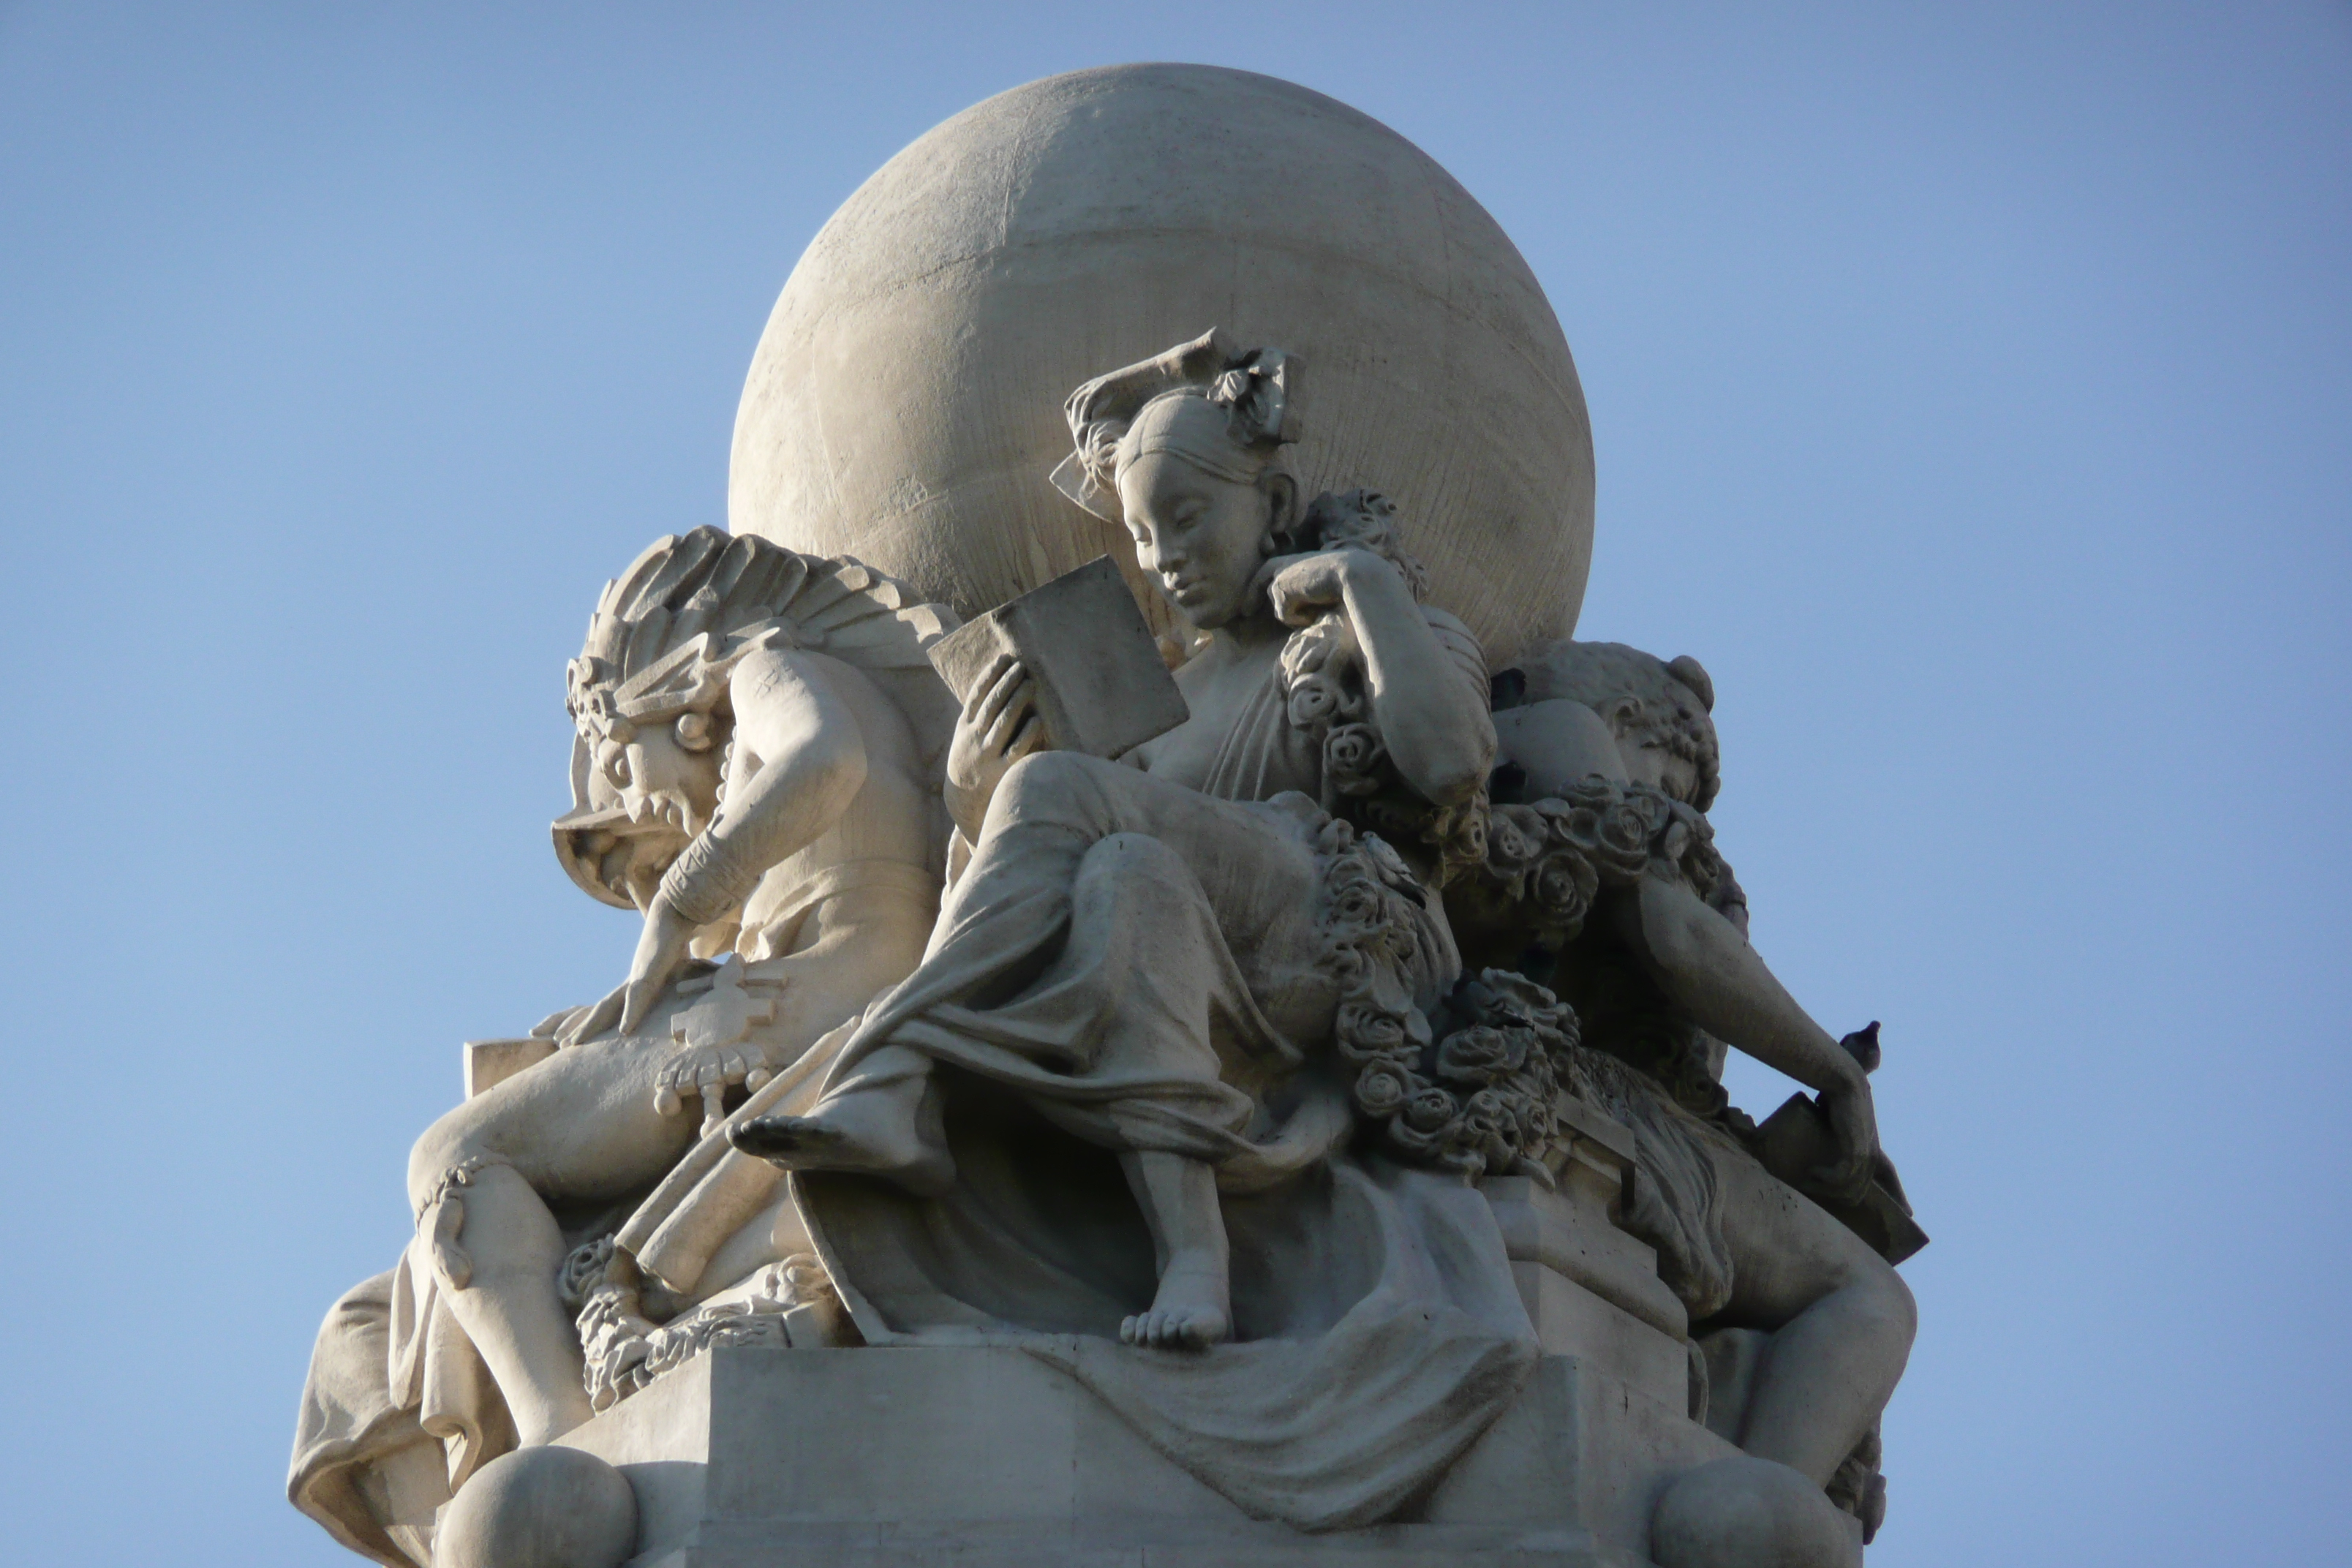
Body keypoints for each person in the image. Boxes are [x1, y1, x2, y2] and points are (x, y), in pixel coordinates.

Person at [730, 329, 1499, 1352]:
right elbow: (1043, 888)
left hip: (1345, 942)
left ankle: (892, 1074)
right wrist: (971, 793)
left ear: (1269, 506)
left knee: (1079, 807)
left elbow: (1450, 765)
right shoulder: (1161, 704)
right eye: (1141, 535)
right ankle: (1193, 1258)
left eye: (1186, 519)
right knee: (1129, 878)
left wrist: (1362, 581)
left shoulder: (1373, 627)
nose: (1164, 559)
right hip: (1212, 977)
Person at [397, 528, 954, 1450]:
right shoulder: (836, 700)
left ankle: (555, 1435)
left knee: (454, 1152)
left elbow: (823, 759)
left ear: (678, 704)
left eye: (621, 765)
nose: (639, 804)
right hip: (798, 989)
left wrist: (680, 905)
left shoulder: (769, 670)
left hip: (806, 1002)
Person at [1455, 639, 1917, 1516]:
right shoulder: (1559, 731)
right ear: (1632, 719)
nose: (1685, 819)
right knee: (1867, 1297)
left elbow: (1685, 1049)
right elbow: (1669, 935)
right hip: (1567, 1081)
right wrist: (1837, 1077)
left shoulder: (1500, 746)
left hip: (1562, 1077)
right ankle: (1749, 1511)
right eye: (1676, 787)